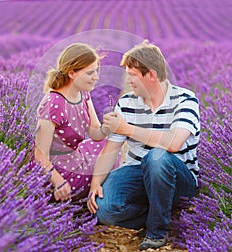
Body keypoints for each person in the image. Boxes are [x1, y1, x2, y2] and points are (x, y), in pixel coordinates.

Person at [87, 40, 200, 250]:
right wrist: (95, 184)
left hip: (177, 176)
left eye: (132, 75)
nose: (127, 81)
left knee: (157, 157)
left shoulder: (185, 99)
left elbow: (174, 144)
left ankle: (157, 232)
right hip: (137, 172)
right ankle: (163, 212)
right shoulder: (127, 103)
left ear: (151, 76)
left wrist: (127, 128)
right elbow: (111, 149)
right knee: (105, 210)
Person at [34, 43, 111, 202]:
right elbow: (40, 155)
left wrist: (109, 127)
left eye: (96, 71)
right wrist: (59, 182)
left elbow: (96, 134)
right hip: (60, 171)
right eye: (90, 73)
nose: (96, 77)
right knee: (112, 161)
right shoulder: (53, 104)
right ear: (72, 73)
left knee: (112, 147)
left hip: (76, 157)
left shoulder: (83, 94)